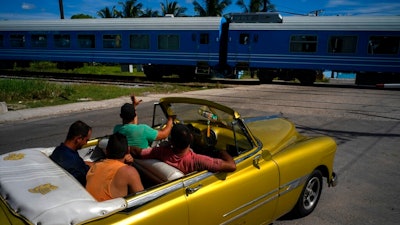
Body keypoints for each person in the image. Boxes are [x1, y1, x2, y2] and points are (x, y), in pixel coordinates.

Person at [131, 124, 236, 174]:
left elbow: (138, 152)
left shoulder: (160, 152)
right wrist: (221, 151)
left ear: (171, 141)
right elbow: (231, 166)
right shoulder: (197, 160)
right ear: (191, 138)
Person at [86, 132, 144, 201]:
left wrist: (127, 166)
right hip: (111, 211)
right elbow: (142, 200)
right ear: (128, 150)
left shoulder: (95, 166)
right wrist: (129, 167)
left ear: (106, 151)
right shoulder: (129, 172)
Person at [50, 120, 92, 186]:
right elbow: (88, 175)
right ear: (78, 139)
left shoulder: (58, 151)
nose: (86, 143)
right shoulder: (75, 162)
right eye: (86, 140)